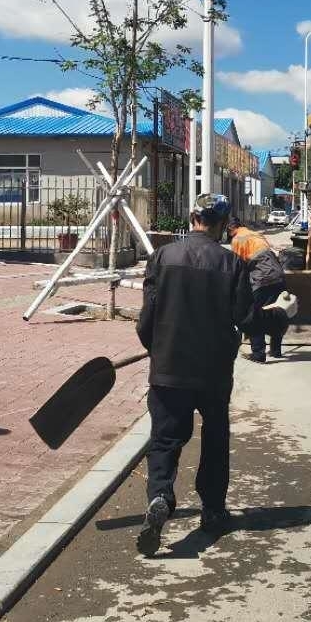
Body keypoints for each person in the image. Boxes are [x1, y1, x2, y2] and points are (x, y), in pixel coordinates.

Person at [135, 195, 255, 555]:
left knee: (165, 438)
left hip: (168, 368)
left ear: (192, 218)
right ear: (222, 223)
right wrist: (280, 315)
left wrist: (156, 349)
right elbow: (246, 319)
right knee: (215, 439)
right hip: (214, 372)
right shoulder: (232, 263)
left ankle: (160, 495)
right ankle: (213, 510)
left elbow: (147, 321)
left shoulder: (162, 257)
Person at [226, 217, 289, 362]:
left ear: (230, 229)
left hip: (263, 278)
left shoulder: (237, 240)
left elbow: (239, 266)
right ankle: (276, 349)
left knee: (254, 315)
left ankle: (258, 353)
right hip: (278, 274)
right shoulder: (254, 234)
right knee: (275, 311)